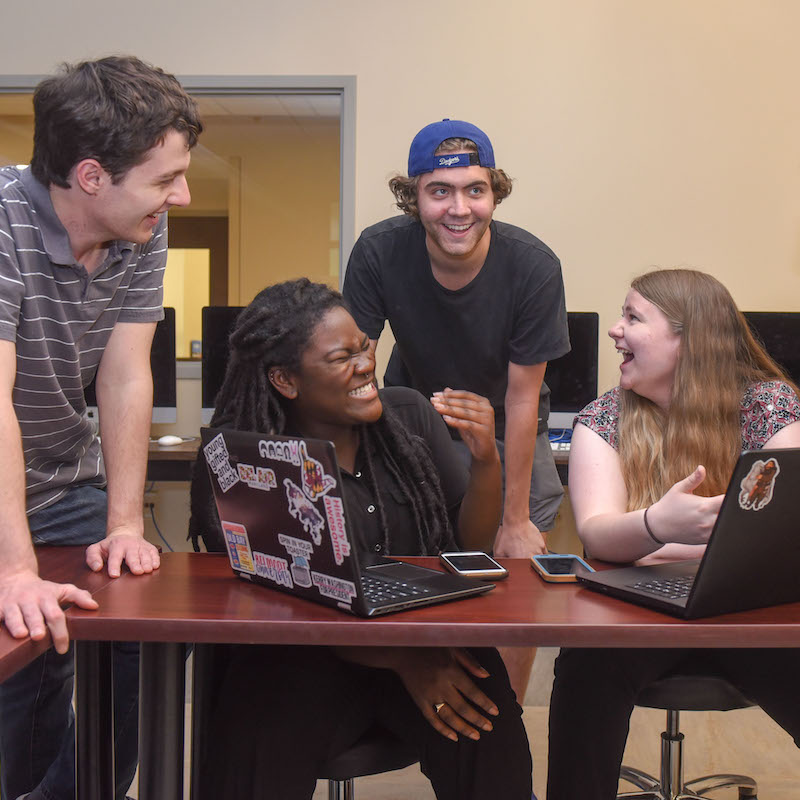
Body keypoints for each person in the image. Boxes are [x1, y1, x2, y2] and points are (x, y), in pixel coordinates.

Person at [188, 278, 534, 799]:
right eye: (341, 357)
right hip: (301, 657)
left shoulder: (409, 418)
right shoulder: (248, 459)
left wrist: (486, 460)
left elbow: (467, 548)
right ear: (285, 380)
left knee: (485, 710)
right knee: (263, 710)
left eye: (364, 347)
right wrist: (401, 660)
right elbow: (269, 605)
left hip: (421, 638)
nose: (365, 365)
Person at [0, 56, 202, 800]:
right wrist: (16, 569)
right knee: (30, 665)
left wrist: (124, 524)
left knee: (142, 637)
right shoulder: (2, 223)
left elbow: (123, 373)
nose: (180, 194)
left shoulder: (143, 227)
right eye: (164, 178)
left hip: (63, 479)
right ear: (91, 176)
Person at [546, 268, 800, 799]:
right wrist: (659, 524)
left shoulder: (769, 405)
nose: (615, 330)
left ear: (690, 338)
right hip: (637, 615)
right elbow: (597, 537)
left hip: (743, 612)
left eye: (633, 317)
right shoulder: (604, 418)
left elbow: (778, 536)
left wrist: (646, 544)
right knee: (585, 664)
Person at [342, 118, 569, 697]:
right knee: (419, 560)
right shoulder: (379, 250)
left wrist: (514, 521)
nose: (459, 208)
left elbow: (522, 399)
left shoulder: (533, 267)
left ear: (494, 192)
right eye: (439, 191)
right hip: (416, 417)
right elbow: (350, 364)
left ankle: (506, 731)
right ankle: (411, 703)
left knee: (517, 584)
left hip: (510, 422)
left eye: (475, 189)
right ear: (413, 197)